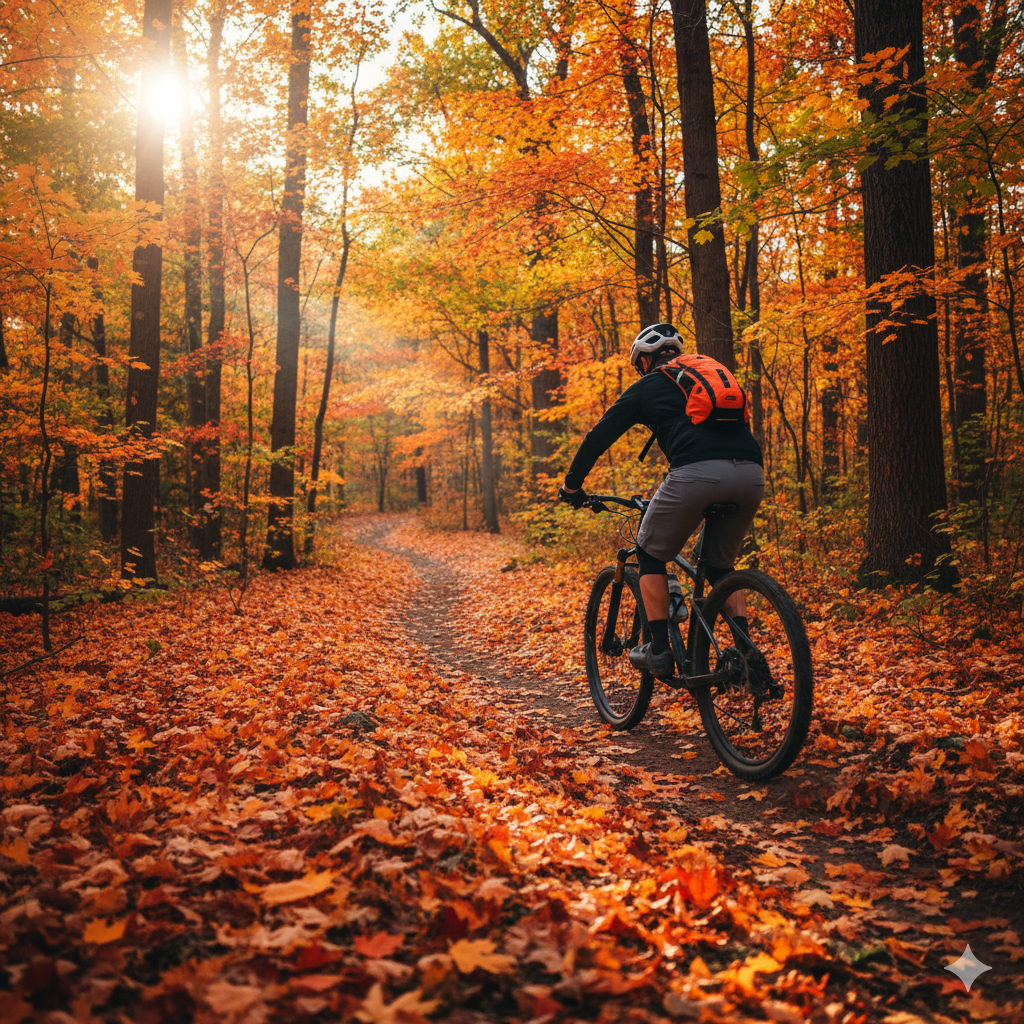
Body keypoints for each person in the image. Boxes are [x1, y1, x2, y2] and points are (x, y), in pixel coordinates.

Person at [558, 323, 765, 679]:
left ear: (644, 361)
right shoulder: (711, 376)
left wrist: (572, 487)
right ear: (677, 354)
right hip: (751, 474)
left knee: (650, 555)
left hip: (696, 475)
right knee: (718, 568)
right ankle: (747, 652)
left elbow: (598, 437)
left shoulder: (649, 385)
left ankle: (659, 651)